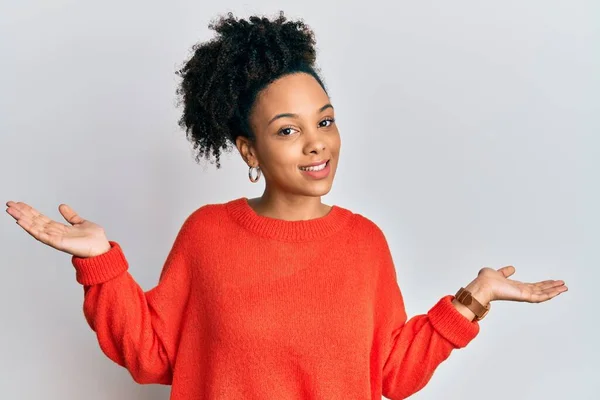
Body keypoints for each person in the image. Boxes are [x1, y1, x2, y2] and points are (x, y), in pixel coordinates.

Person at [5, 11, 568, 400]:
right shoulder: (207, 234)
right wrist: (101, 262)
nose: (316, 141)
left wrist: (477, 296)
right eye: (287, 130)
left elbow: (393, 373)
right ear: (249, 149)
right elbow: (152, 357)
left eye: (324, 120)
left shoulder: (364, 242)